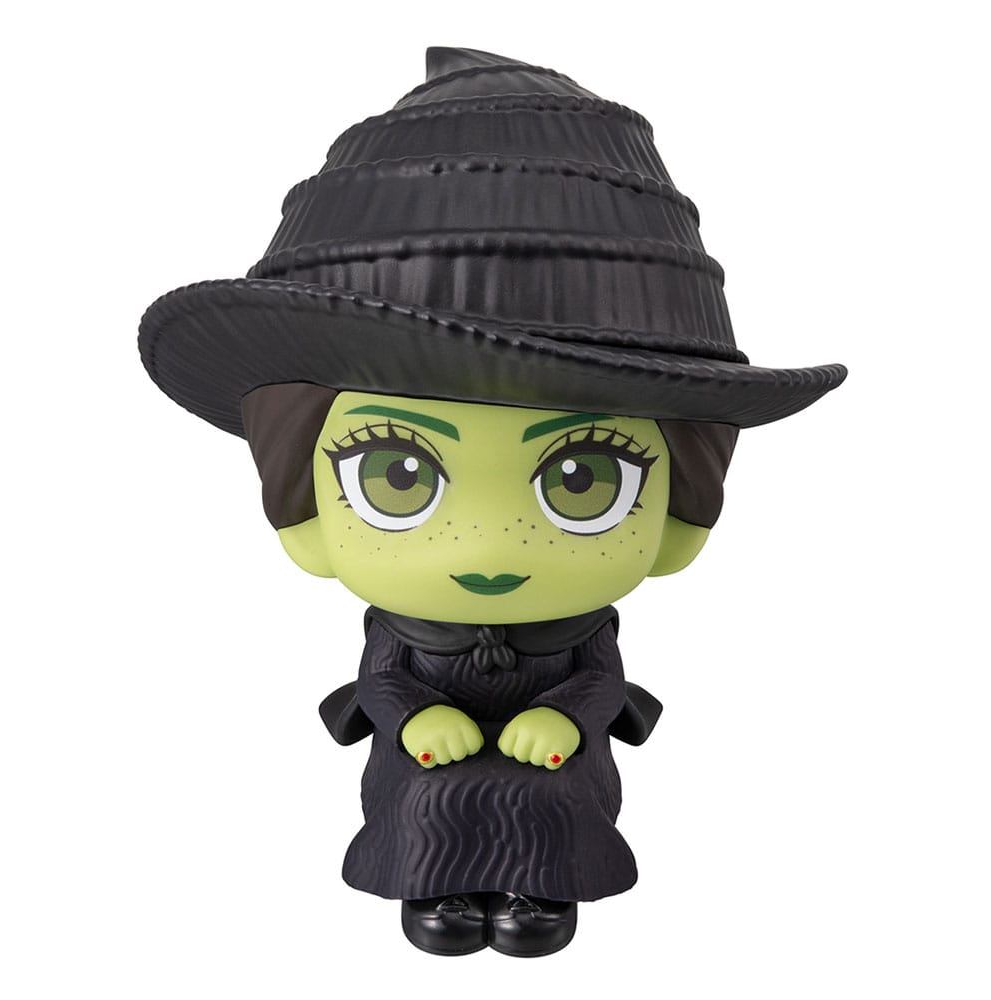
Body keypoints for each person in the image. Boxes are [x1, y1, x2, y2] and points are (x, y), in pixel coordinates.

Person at [139, 47, 845, 956]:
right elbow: (383, 676)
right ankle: (432, 883)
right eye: (396, 476)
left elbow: (599, 678)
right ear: (302, 509)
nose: (486, 541)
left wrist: (567, 714)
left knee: (560, 794)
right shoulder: (402, 626)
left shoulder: (580, 624)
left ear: (682, 514)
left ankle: (541, 891)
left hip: (556, 752)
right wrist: (409, 712)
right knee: (421, 794)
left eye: (584, 479)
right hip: (421, 753)